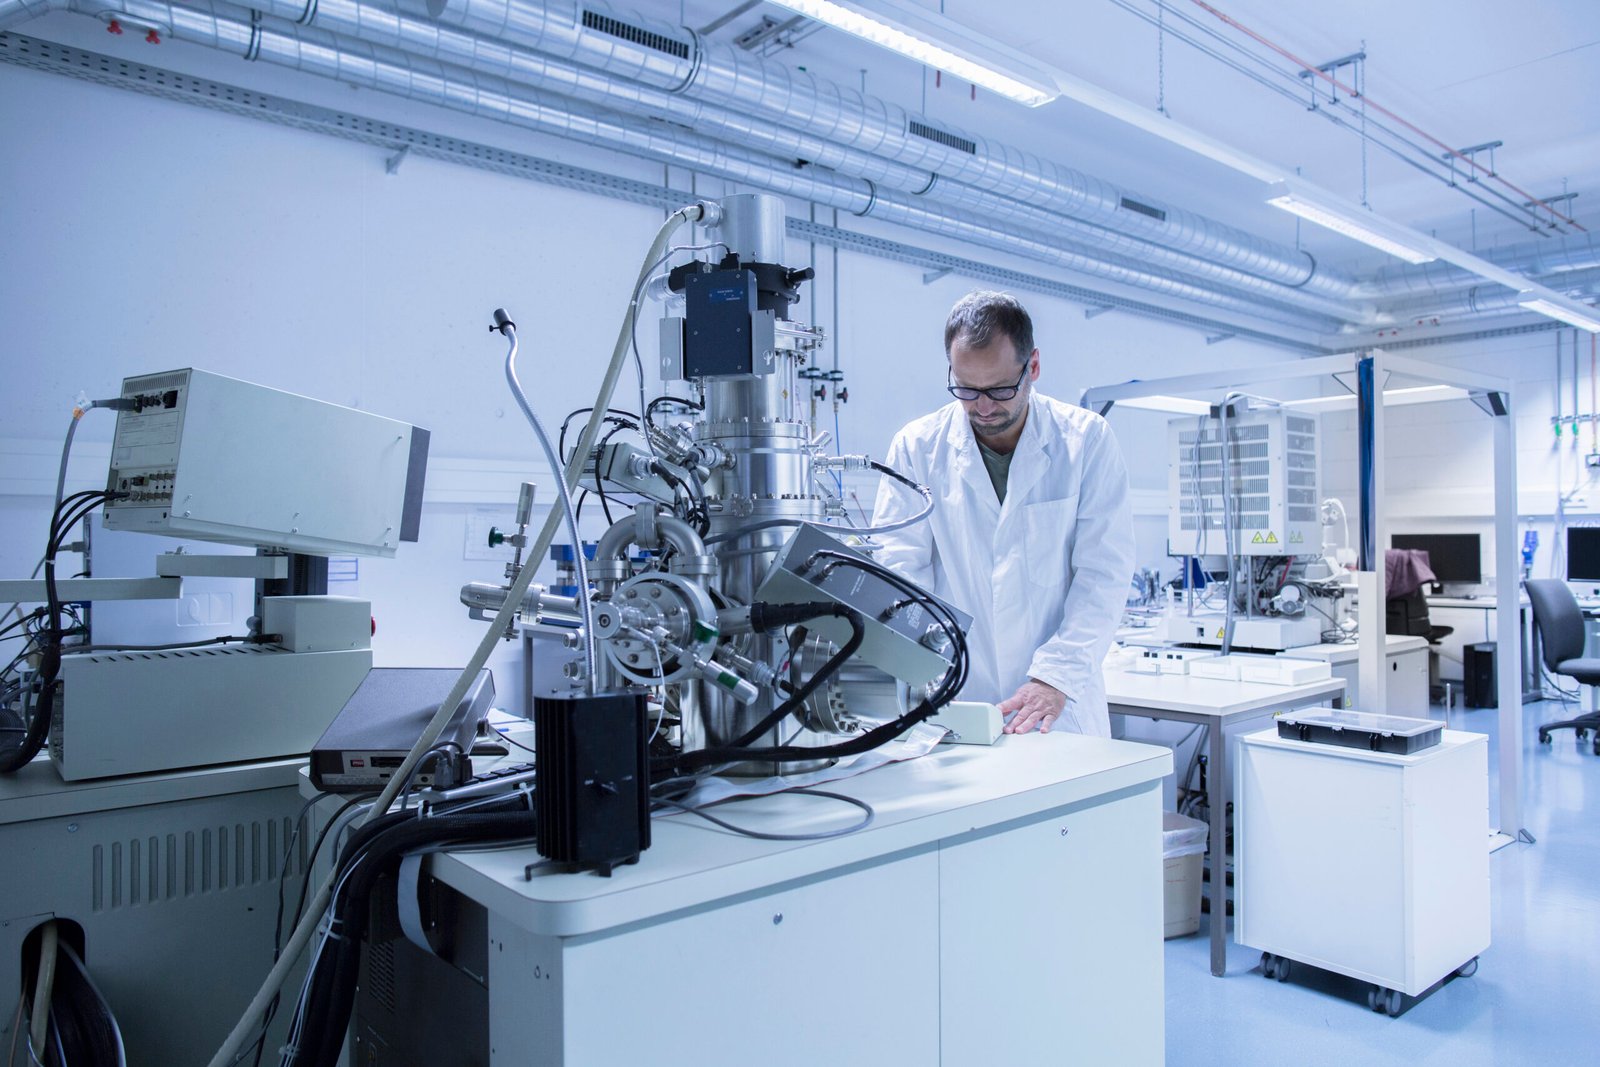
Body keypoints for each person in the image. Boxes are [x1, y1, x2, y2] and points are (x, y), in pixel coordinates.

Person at [871, 291, 1134, 736]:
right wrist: (919, 665)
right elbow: (899, 571)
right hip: (956, 696)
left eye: (998, 389)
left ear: (1032, 367)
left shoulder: (1084, 441)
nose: (984, 407)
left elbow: (1103, 574)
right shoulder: (917, 447)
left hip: (1058, 705)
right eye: (966, 389)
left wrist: (1055, 677)